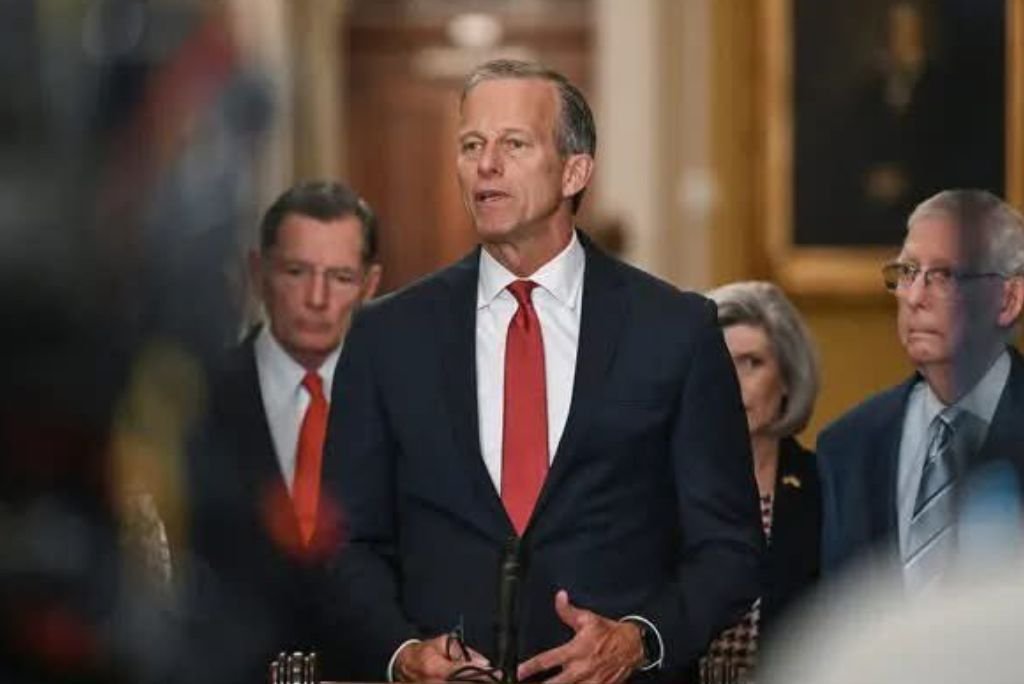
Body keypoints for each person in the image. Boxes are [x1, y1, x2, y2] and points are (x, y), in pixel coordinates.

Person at [322, 59, 762, 684]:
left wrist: (639, 642)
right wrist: (401, 655)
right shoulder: (386, 336)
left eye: (514, 144)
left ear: (575, 170)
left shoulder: (676, 331)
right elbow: (345, 544)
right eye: (472, 144)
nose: (486, 165)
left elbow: (729, 550)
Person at [186, 180, 381, 681]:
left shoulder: (400, 402)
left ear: (369, 284)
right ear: (259, 273)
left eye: (340, 277)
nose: (317, 298)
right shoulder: (198, 398)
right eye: (297, 272)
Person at [818, 188, 1024, 593]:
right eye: (908, 272)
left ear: (1009, 299)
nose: (913, 297)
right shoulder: (847, 447)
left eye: (945, 276)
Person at [699, 282, 821, 682]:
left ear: (787, 378)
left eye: (751, 363)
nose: (732, 382)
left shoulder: (826, 488)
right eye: (720, 362)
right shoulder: (653, 485)